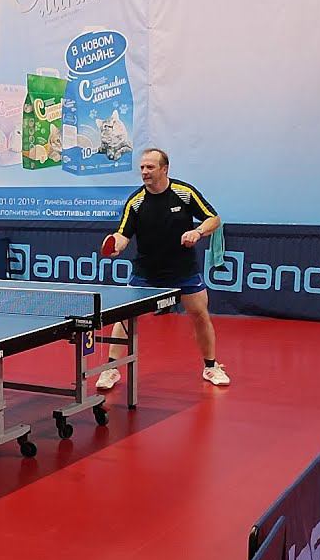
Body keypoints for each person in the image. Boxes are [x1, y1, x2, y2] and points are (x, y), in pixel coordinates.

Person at [98, 148, 230, 388]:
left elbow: (214, 218)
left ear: (164, 169)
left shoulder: (184, 193)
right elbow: (123, 234)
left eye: (150, 167)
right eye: (142, 167)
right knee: (125, 318)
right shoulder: (136, 202)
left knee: (200, 315)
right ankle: (111, 369)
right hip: (146, 272)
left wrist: (198, 232)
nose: (145, 172)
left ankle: (211, 367)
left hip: (183, 270)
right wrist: (116, 244)